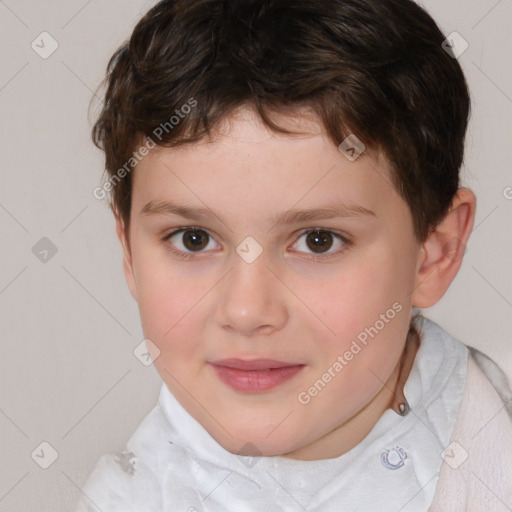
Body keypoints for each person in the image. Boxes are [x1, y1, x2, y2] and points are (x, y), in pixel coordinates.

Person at [76, 0, 512, 510]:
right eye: (193, 238)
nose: (245, 311)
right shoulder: (125, 497)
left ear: (434, 253)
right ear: (128, 250)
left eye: (318, 240)